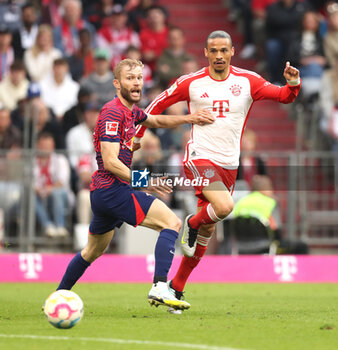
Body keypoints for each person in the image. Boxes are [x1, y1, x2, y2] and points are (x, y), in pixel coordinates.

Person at [134, 30, 301, 312]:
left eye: (224, 50)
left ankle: (176, 288)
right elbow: (157, 103)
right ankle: (192, 222)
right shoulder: (192, 82)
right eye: (214, 51)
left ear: (233, 51)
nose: (219, 55)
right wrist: (137, 134)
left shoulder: (248, 81)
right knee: (223, 207)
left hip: (229, 164)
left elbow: (284, 96)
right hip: (199, 156)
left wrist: (293, 82)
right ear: (206, 53)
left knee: (207, 232)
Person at [56, 58, 215, 311]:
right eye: (130, 78)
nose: (137, 83)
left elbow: (155, 121)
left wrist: (191, 118)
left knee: (91, 252)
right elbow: (109, 162)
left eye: (139, 78)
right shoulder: (112, 112)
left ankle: (58, 296)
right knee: (171, 222)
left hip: (105, 193)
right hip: (112, 189)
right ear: (117, 83)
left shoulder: (131, 112)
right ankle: (160, 286)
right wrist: (146, 181)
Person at [34, 132, 73, 237]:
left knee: (57, 193)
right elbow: (30, 182)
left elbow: (62, 181)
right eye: (43, 146)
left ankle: (60, 227)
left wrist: (49, 189)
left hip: (61, 196)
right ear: (38, 146)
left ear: (53, 146)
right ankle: (48, 226)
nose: (45, 149)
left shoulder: (60, 159)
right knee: (30, 196)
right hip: (40, 196)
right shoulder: (32, 161)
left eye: (48, 146)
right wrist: (37, 189)